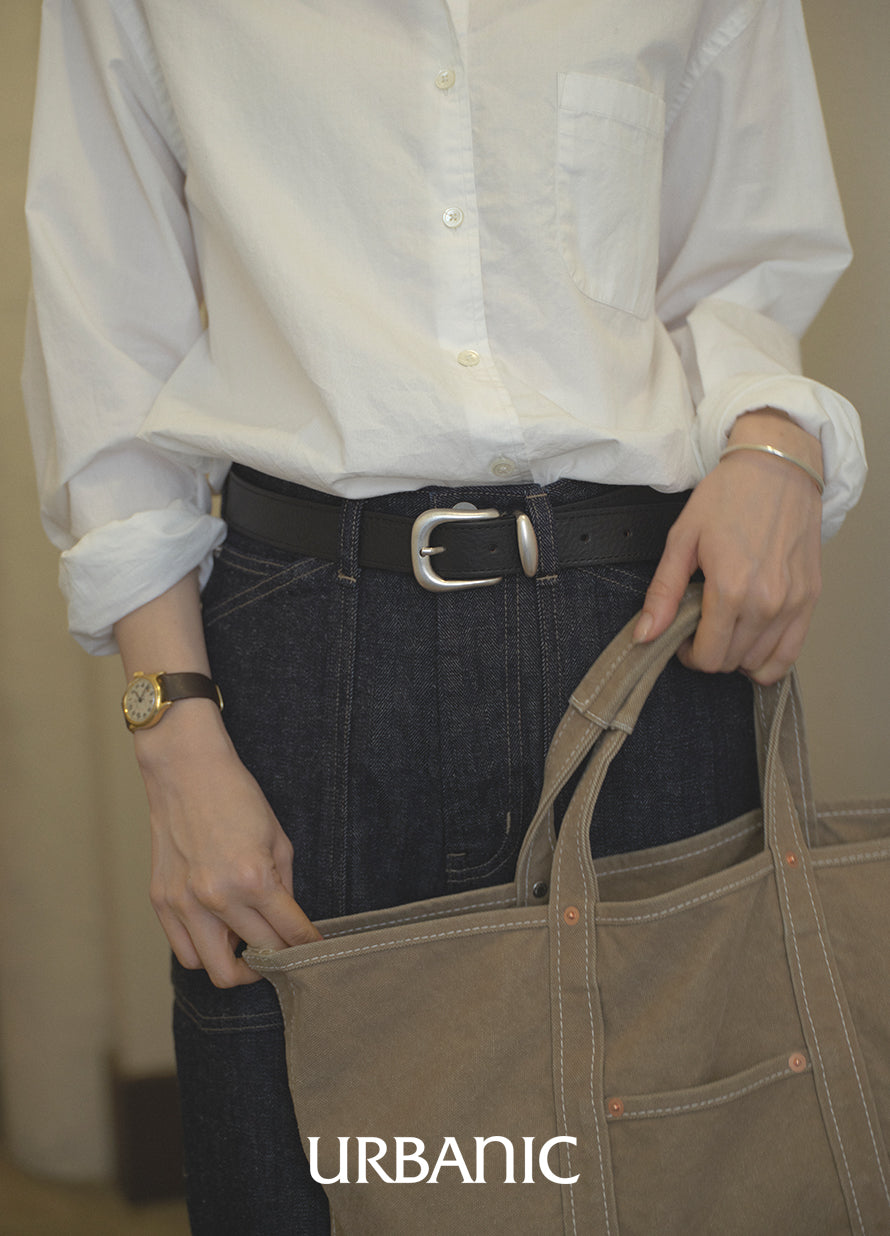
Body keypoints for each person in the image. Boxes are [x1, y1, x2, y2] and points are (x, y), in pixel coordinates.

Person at [23, 1, 865, 1232]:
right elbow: (105, 326)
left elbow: (743, 259)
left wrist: (774, 441)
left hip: (639, 640)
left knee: (676, 1175)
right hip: (308, 669)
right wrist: (173, 736)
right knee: (303, 1185)